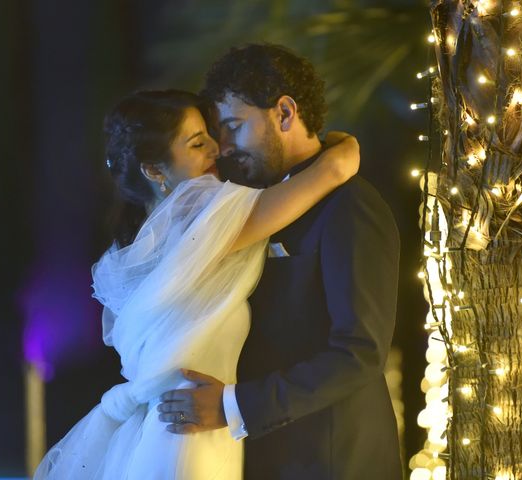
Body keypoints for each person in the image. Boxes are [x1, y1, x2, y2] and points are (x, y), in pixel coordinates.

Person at [33, 89, 359, 479]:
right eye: (197, 142)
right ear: (154, 170)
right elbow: (336, 169)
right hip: (191, 433)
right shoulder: (203, 212)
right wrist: (345, 141)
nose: (217, 150)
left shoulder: (141, 246)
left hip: (164, 427)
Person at [158, 44, 403, 479]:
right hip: (263, 455)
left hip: (329, 461)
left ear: (285, 113)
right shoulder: (248, 205)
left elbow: (359, 352)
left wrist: (234, 405)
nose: (225, 148)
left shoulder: (350, 205)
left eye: (234, 126)